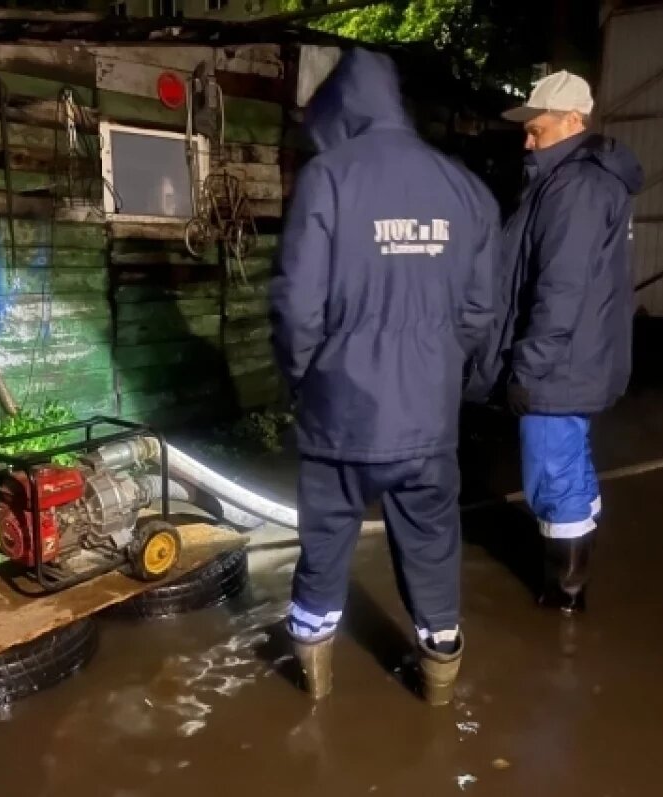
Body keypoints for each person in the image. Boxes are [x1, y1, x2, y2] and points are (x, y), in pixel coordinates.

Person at [270, 48, 499, 705]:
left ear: (341, 106)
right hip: (427, 418)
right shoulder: (465, 189)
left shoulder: (328, 178)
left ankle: (313, 689)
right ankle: (438, 687)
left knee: (323, 552)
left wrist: (303, 378)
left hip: (336, 416)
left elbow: (296, 306)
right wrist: (438, 369)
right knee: (432, 549)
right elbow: (481, 311)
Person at [467, 70, 644, 613]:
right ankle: (572, 571)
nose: (527, 140)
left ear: (573, 121)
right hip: (574, 359)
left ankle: (564, 594)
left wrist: (529, 368)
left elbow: (560, 288)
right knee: (569, 463)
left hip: (560, 365)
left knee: (551, 474)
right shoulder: (568, 179)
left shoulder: (576, 186)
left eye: (536, 131)